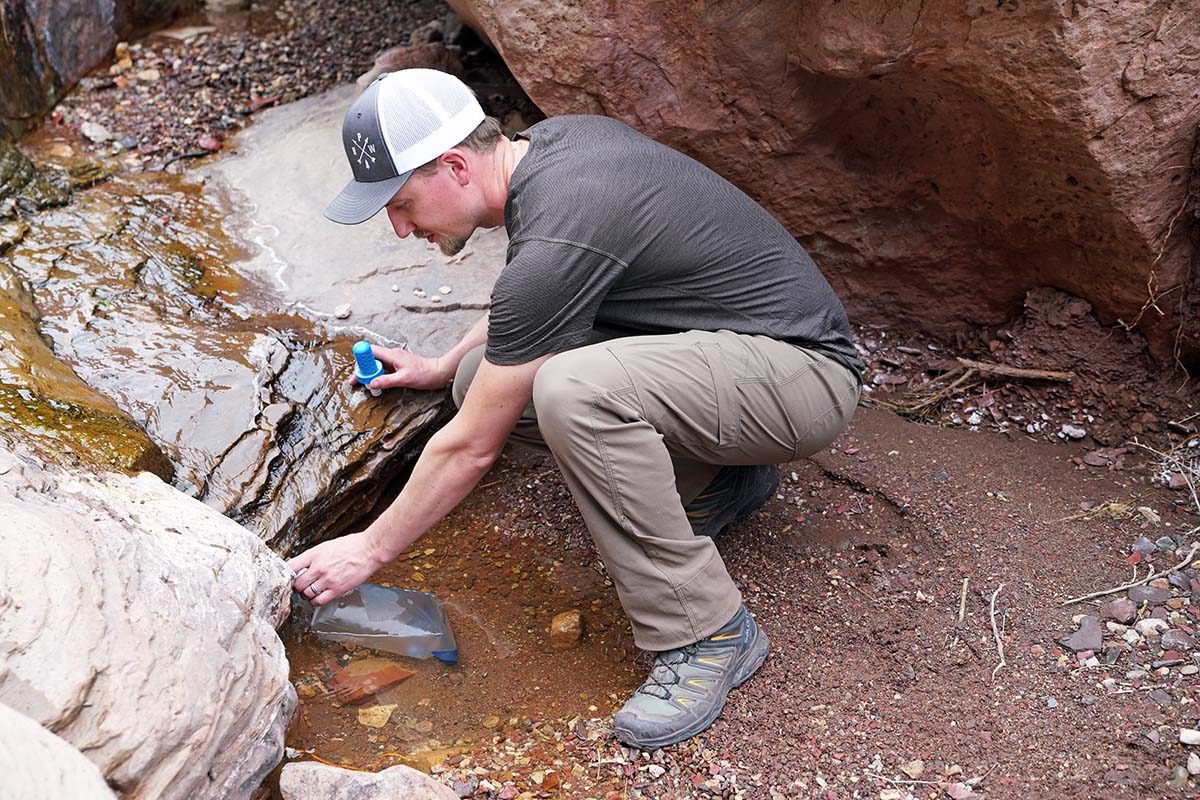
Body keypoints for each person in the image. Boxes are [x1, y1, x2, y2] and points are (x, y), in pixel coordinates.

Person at [289, 68, 863, 749]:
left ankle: (707, 634)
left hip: (803, 377)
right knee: (478, 378)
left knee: (574, 393)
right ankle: (722, 479)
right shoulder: (551, 151)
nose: (396, 225)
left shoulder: (567, 221)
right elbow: (533, 295)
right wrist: (442, 367)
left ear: (453, 166)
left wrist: (369, 548)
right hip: (728, 354)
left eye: (401, 201)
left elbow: (470, 446)